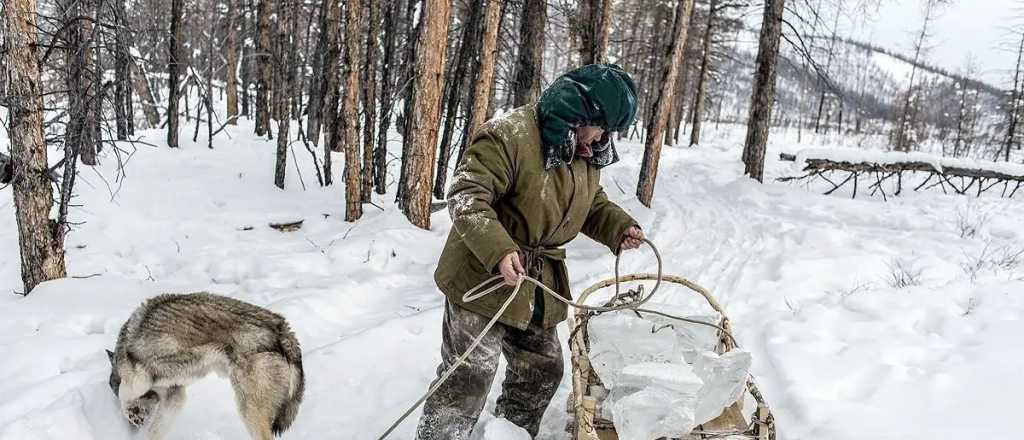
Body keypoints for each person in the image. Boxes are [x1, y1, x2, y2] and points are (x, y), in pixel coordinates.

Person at [417, 64, 644, 439]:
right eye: (600, 126)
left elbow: (589, 202)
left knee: (542, 368)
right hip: (483, 273)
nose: (602, 137)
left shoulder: (583, 149)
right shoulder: (510, 135)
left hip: (536, 280)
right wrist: (498, 250)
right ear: (577, 112)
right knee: (470, 374)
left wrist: (618, 227)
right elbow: (466, 195)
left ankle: (510, 432)